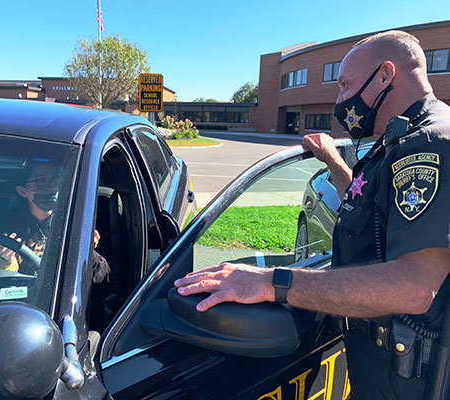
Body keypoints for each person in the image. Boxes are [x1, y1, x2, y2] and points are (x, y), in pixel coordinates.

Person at [174, 30, 449, 399]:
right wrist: (335, 163)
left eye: (346, 84)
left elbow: (415, 286)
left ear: (386, 75)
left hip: (411, 384)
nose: (341, 99)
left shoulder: (431, 145)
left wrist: (272, 282)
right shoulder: (399, 139)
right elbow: (376, 216)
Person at [0, 159, 109, 281]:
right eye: (41, 181)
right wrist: (4, 260)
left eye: (55, 178)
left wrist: (85, 251)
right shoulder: (5, 227)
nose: (52, 187)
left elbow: (102, 277)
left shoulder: (75, 222)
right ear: (23, 191)